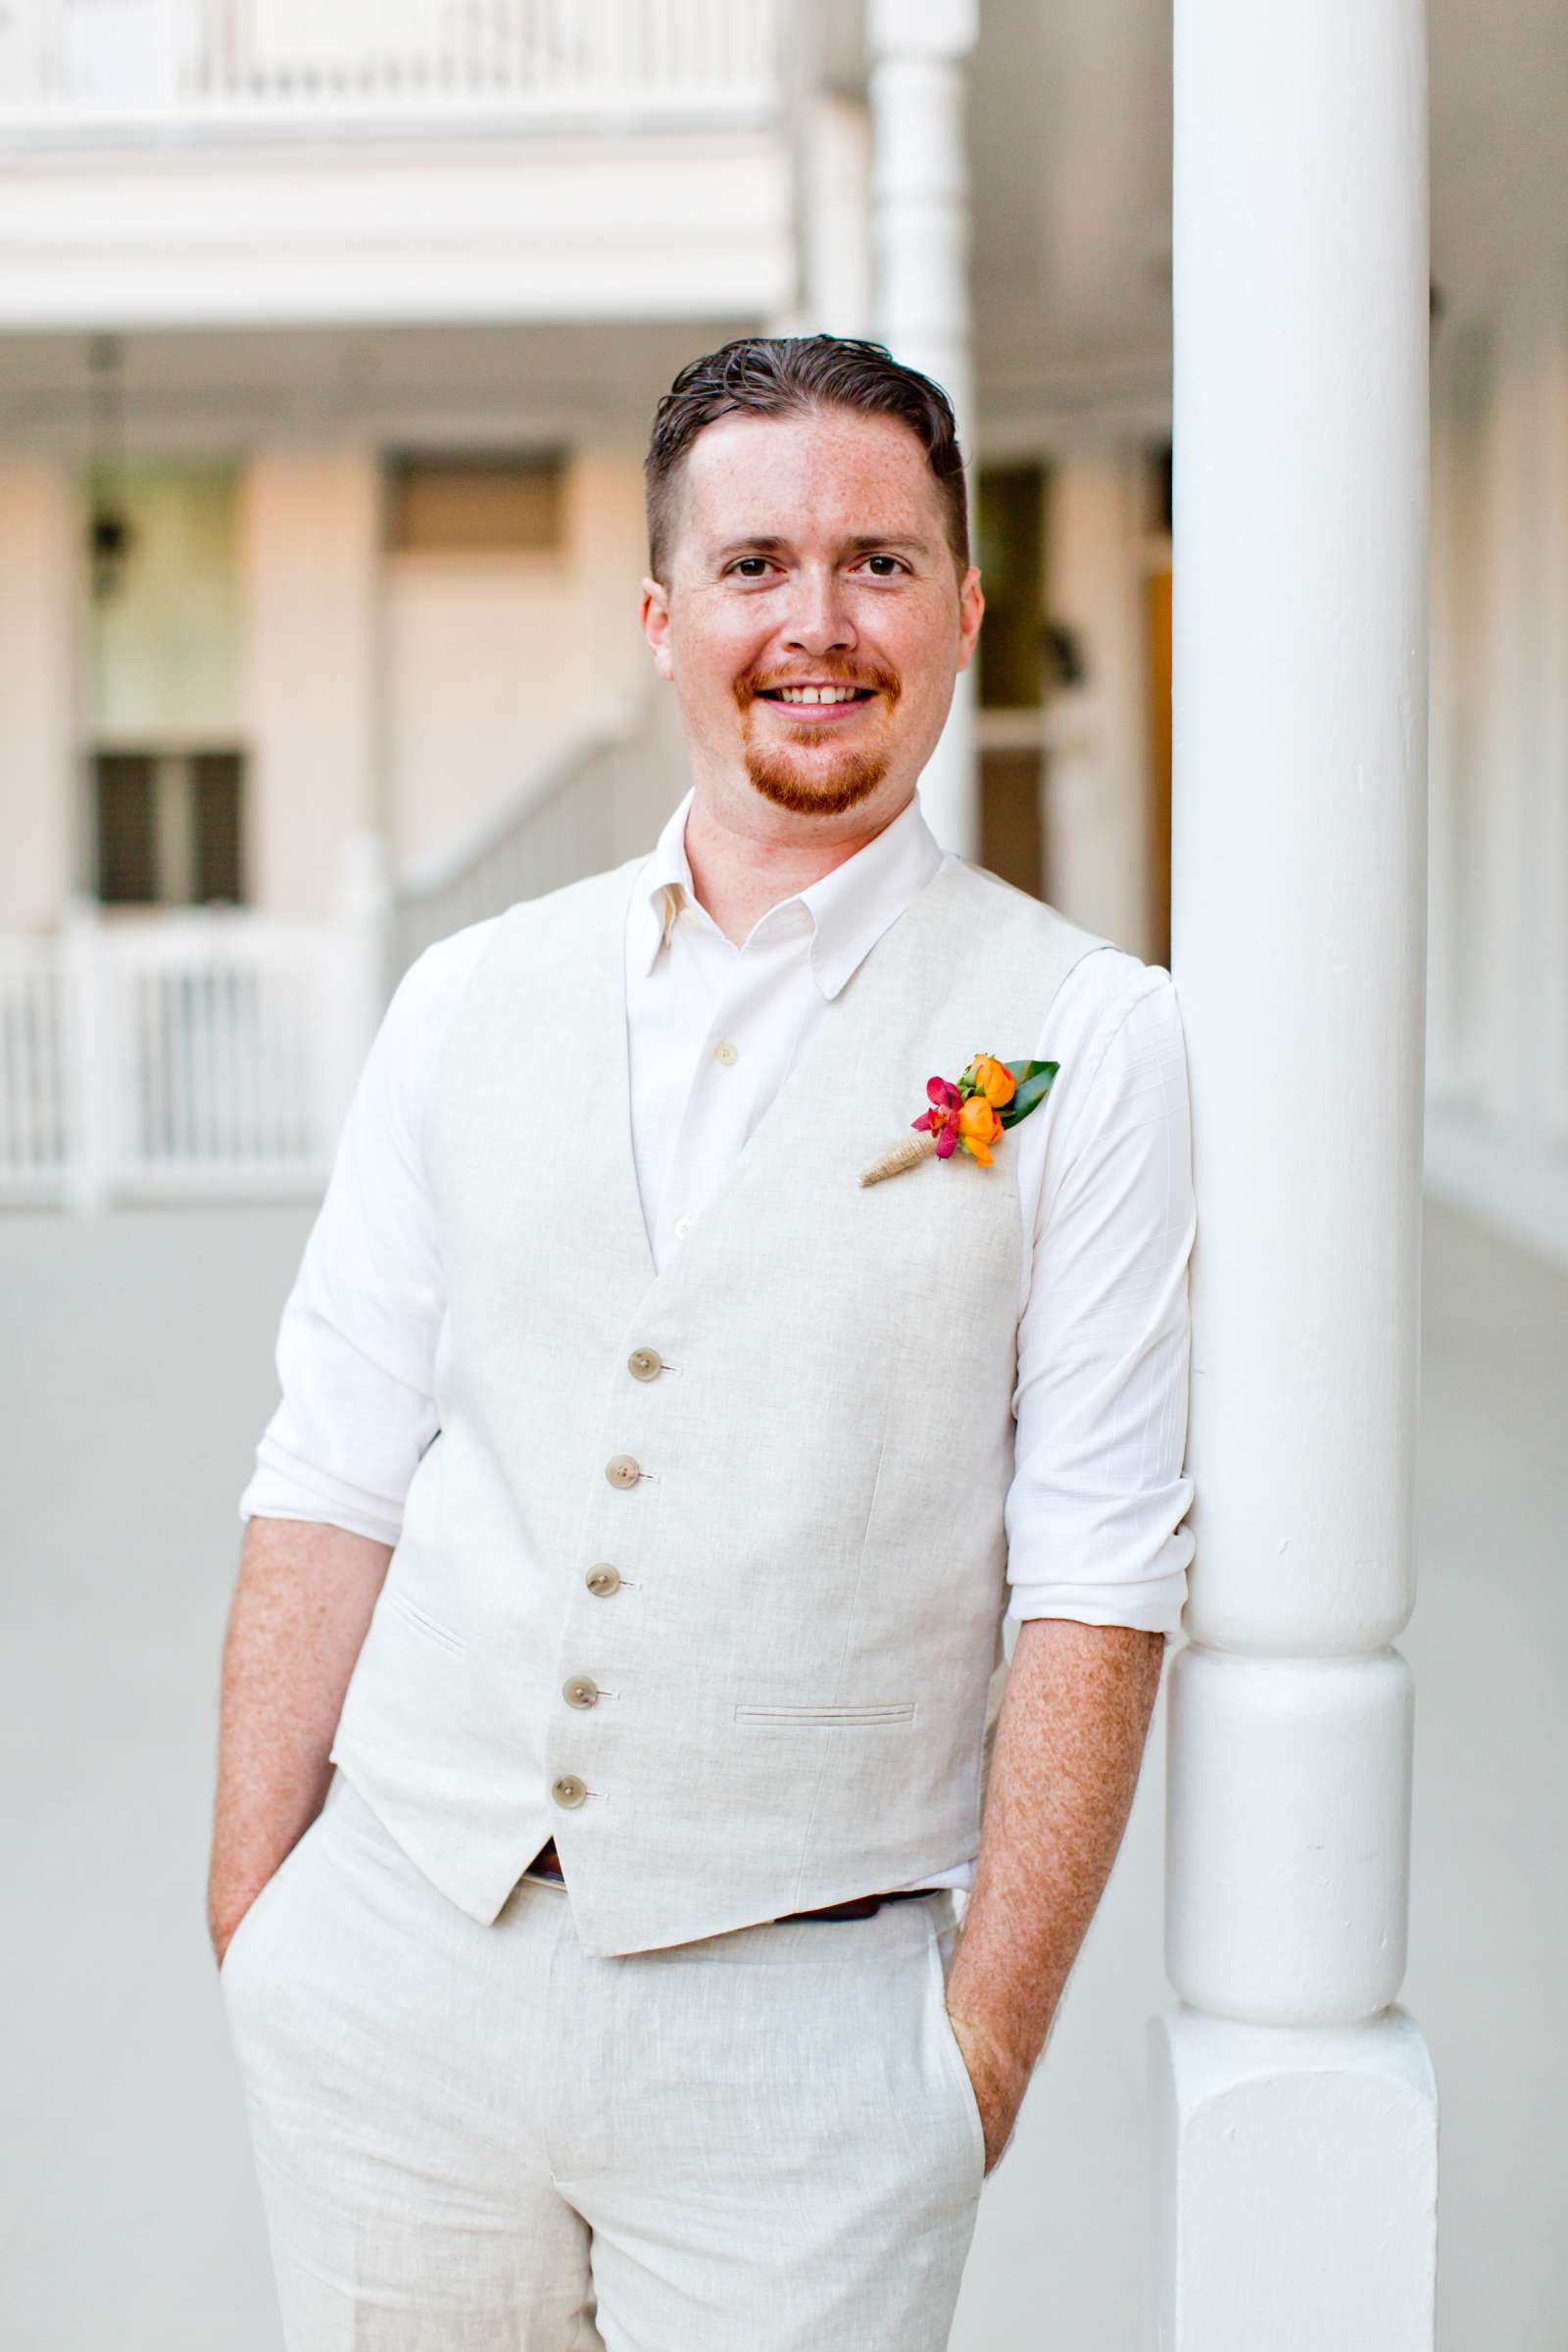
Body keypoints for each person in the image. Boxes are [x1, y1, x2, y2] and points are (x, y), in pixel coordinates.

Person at [211, 333, 1196, 2351]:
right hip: (398, 1958)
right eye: (752, 566)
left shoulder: (1083, 1038)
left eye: (877, 562)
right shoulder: (467, 996)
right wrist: (259, 1927)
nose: (814, 623)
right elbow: (331, 1461)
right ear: (661, 618)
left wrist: (972, 2061)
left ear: (959, 610)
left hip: (806, 2040)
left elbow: (1097, 1571)